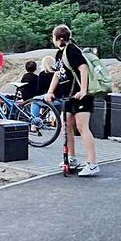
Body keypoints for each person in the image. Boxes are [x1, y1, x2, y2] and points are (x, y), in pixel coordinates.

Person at [45, 24, 98, 176]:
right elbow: (58, 73)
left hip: (81, 96)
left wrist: (83, 90)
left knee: (82, 127)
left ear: (57, 38)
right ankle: (72, 157)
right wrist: (50, 91)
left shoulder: (72, 50)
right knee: (67, 126)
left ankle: (92, 163)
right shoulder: (58, 54)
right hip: (68, 96)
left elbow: (83, 68)